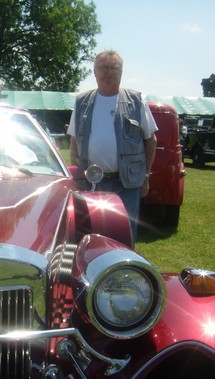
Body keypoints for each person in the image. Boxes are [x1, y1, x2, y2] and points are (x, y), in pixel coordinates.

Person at [67, 50, 158, 244]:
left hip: (127, 184)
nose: (108, 72)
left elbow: (151, 140)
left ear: (121, 72)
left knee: (125, 235)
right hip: (91, 182)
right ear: (94, 71)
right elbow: (74, 141)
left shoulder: (136, 101)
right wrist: (76, 173)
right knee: (90, 234)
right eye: (103, 67)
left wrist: (146, 177)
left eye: (113, 68)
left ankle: (125, 272)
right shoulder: (81, 101)